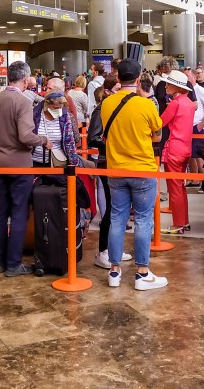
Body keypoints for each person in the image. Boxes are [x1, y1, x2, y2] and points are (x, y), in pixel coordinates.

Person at [100, 59, 167, 291]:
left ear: (118, 78)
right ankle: (142, 273)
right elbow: (157, 136)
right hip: (143, 169)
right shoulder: (147, 105)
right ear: (139, 79)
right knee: (142, 220)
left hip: (115, 168)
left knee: (117, 218)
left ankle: (114, 271)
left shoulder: (107, 103)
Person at [0, 61, 52, 277]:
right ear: (25, 80)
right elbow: (25, 136)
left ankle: (0, 262)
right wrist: (43, 140)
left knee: (0, 212)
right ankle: (13, 263)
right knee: (19, 213)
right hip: (20, 165)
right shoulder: (22, 102)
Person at [89, 76, 133, 269]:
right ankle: (104, 251)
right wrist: (115, 142)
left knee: (121, 208)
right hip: (107, 162)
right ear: (107, 91)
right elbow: (93, 138)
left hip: (121, 162)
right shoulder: (101, 110)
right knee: (112, 209)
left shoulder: (121, 108)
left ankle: (114, 248)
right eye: (116, 88)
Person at [158, 70, 196, 234]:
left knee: (174, 189)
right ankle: (184, 221)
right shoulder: (188, 102)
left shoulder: (175, 103)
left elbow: (159, 122)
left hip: (173, 149)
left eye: (168, 83)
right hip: (185, 149)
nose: (165, 86)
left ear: (176, 86)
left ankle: (178, 223)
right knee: (180, 188)